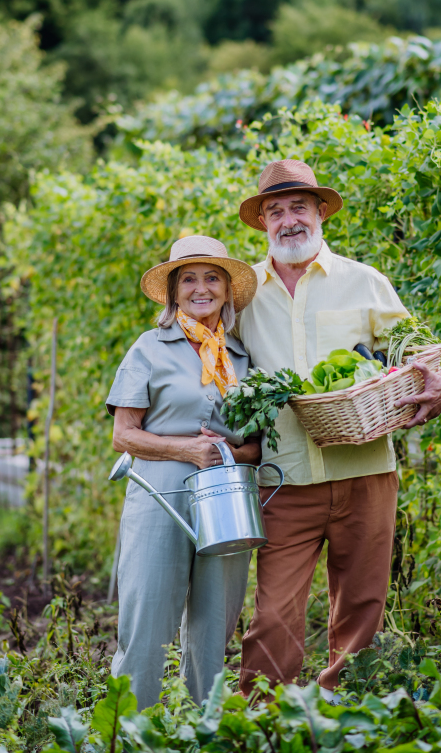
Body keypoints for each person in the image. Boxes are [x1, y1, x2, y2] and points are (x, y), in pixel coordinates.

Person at [235, 159, 441, 699]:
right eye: (276, 210)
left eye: (299, 208)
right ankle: (261, 718)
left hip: (366, 474)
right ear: (263, 222)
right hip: (283, 480)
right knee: (273, 616)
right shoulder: (242, 295)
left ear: (320, 214)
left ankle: (344, 715)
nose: (289, 220)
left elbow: (410, 350)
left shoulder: (364, 281)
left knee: (361, 608)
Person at [106, 235, 261, 709]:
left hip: (227, 499)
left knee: (215, 624)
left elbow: (255, 445)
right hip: (161, 496)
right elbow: (124, 436)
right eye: (188, 279)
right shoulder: (150, 348)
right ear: (173, 292)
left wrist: (233, 452)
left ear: (226, 290)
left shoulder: (241, 359)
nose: (201, 288)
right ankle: (131, 728)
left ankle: (205, 726)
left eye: (211, 278)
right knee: (147, 619)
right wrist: (188, 450)